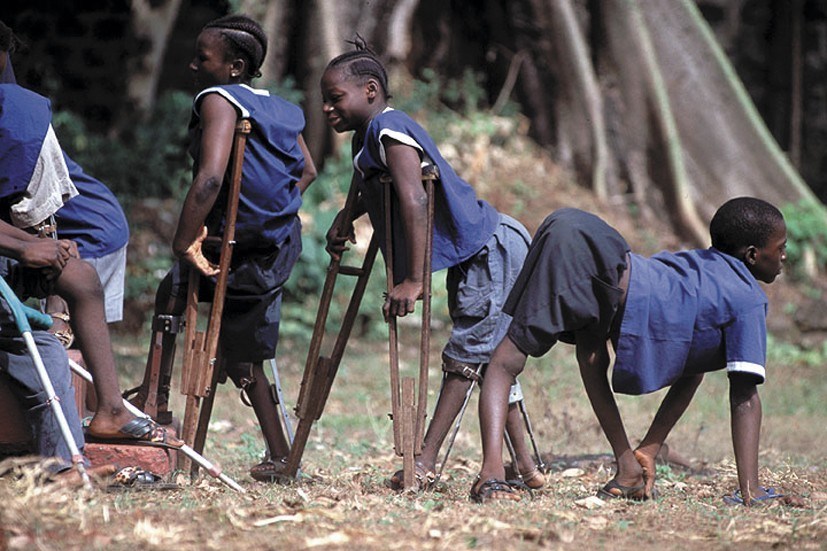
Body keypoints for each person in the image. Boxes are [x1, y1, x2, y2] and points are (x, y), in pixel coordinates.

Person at [320, 41, 544, 491]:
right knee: (490, 354)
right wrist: (348, 217)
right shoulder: (369, 141)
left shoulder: (390, 130)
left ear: (369, 90)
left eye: (335, 97)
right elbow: (371, 187)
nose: (327, 108)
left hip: (491, 250)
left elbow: (415, 196)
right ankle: (527, 468)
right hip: (477, 252)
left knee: (465, 358)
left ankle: (423, 462)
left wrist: (415, 279)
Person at [472, 199, 797, 507]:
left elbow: (692, 369)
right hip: (590, 256)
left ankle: (628, 467)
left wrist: (651, 447)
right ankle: (490, 475)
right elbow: (745, 397)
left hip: (587, 247)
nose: (784, 257)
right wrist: (751, 490)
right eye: (780, 249)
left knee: (591, 357)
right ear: (753, 255)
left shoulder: (703, 270)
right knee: (504, 363)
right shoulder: (748, 299)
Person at [127, 14, 317, 482]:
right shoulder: (279, 108)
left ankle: (154, 398)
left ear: (233, 66)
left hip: (223, 247)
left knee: (174, 291)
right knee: (245, 351)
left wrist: (181, 240)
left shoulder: (217, 99)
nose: (193, 66)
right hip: (273, 247)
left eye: (202, 58)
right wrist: (270, 217)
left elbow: (210, 177)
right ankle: (280, 454)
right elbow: (307, 171)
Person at [0, 81, 174, 446]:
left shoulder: (19, 112)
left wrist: (37, 245)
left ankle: (111, 410)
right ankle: (61, 459)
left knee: (81, 276)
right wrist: (26, 249)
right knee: (47, 351)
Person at [0, 20, 130, 343]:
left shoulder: (19, 120)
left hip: (90, 230)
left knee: (66, 342)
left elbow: (47, 233)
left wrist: (58, 316)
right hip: (80, 227)